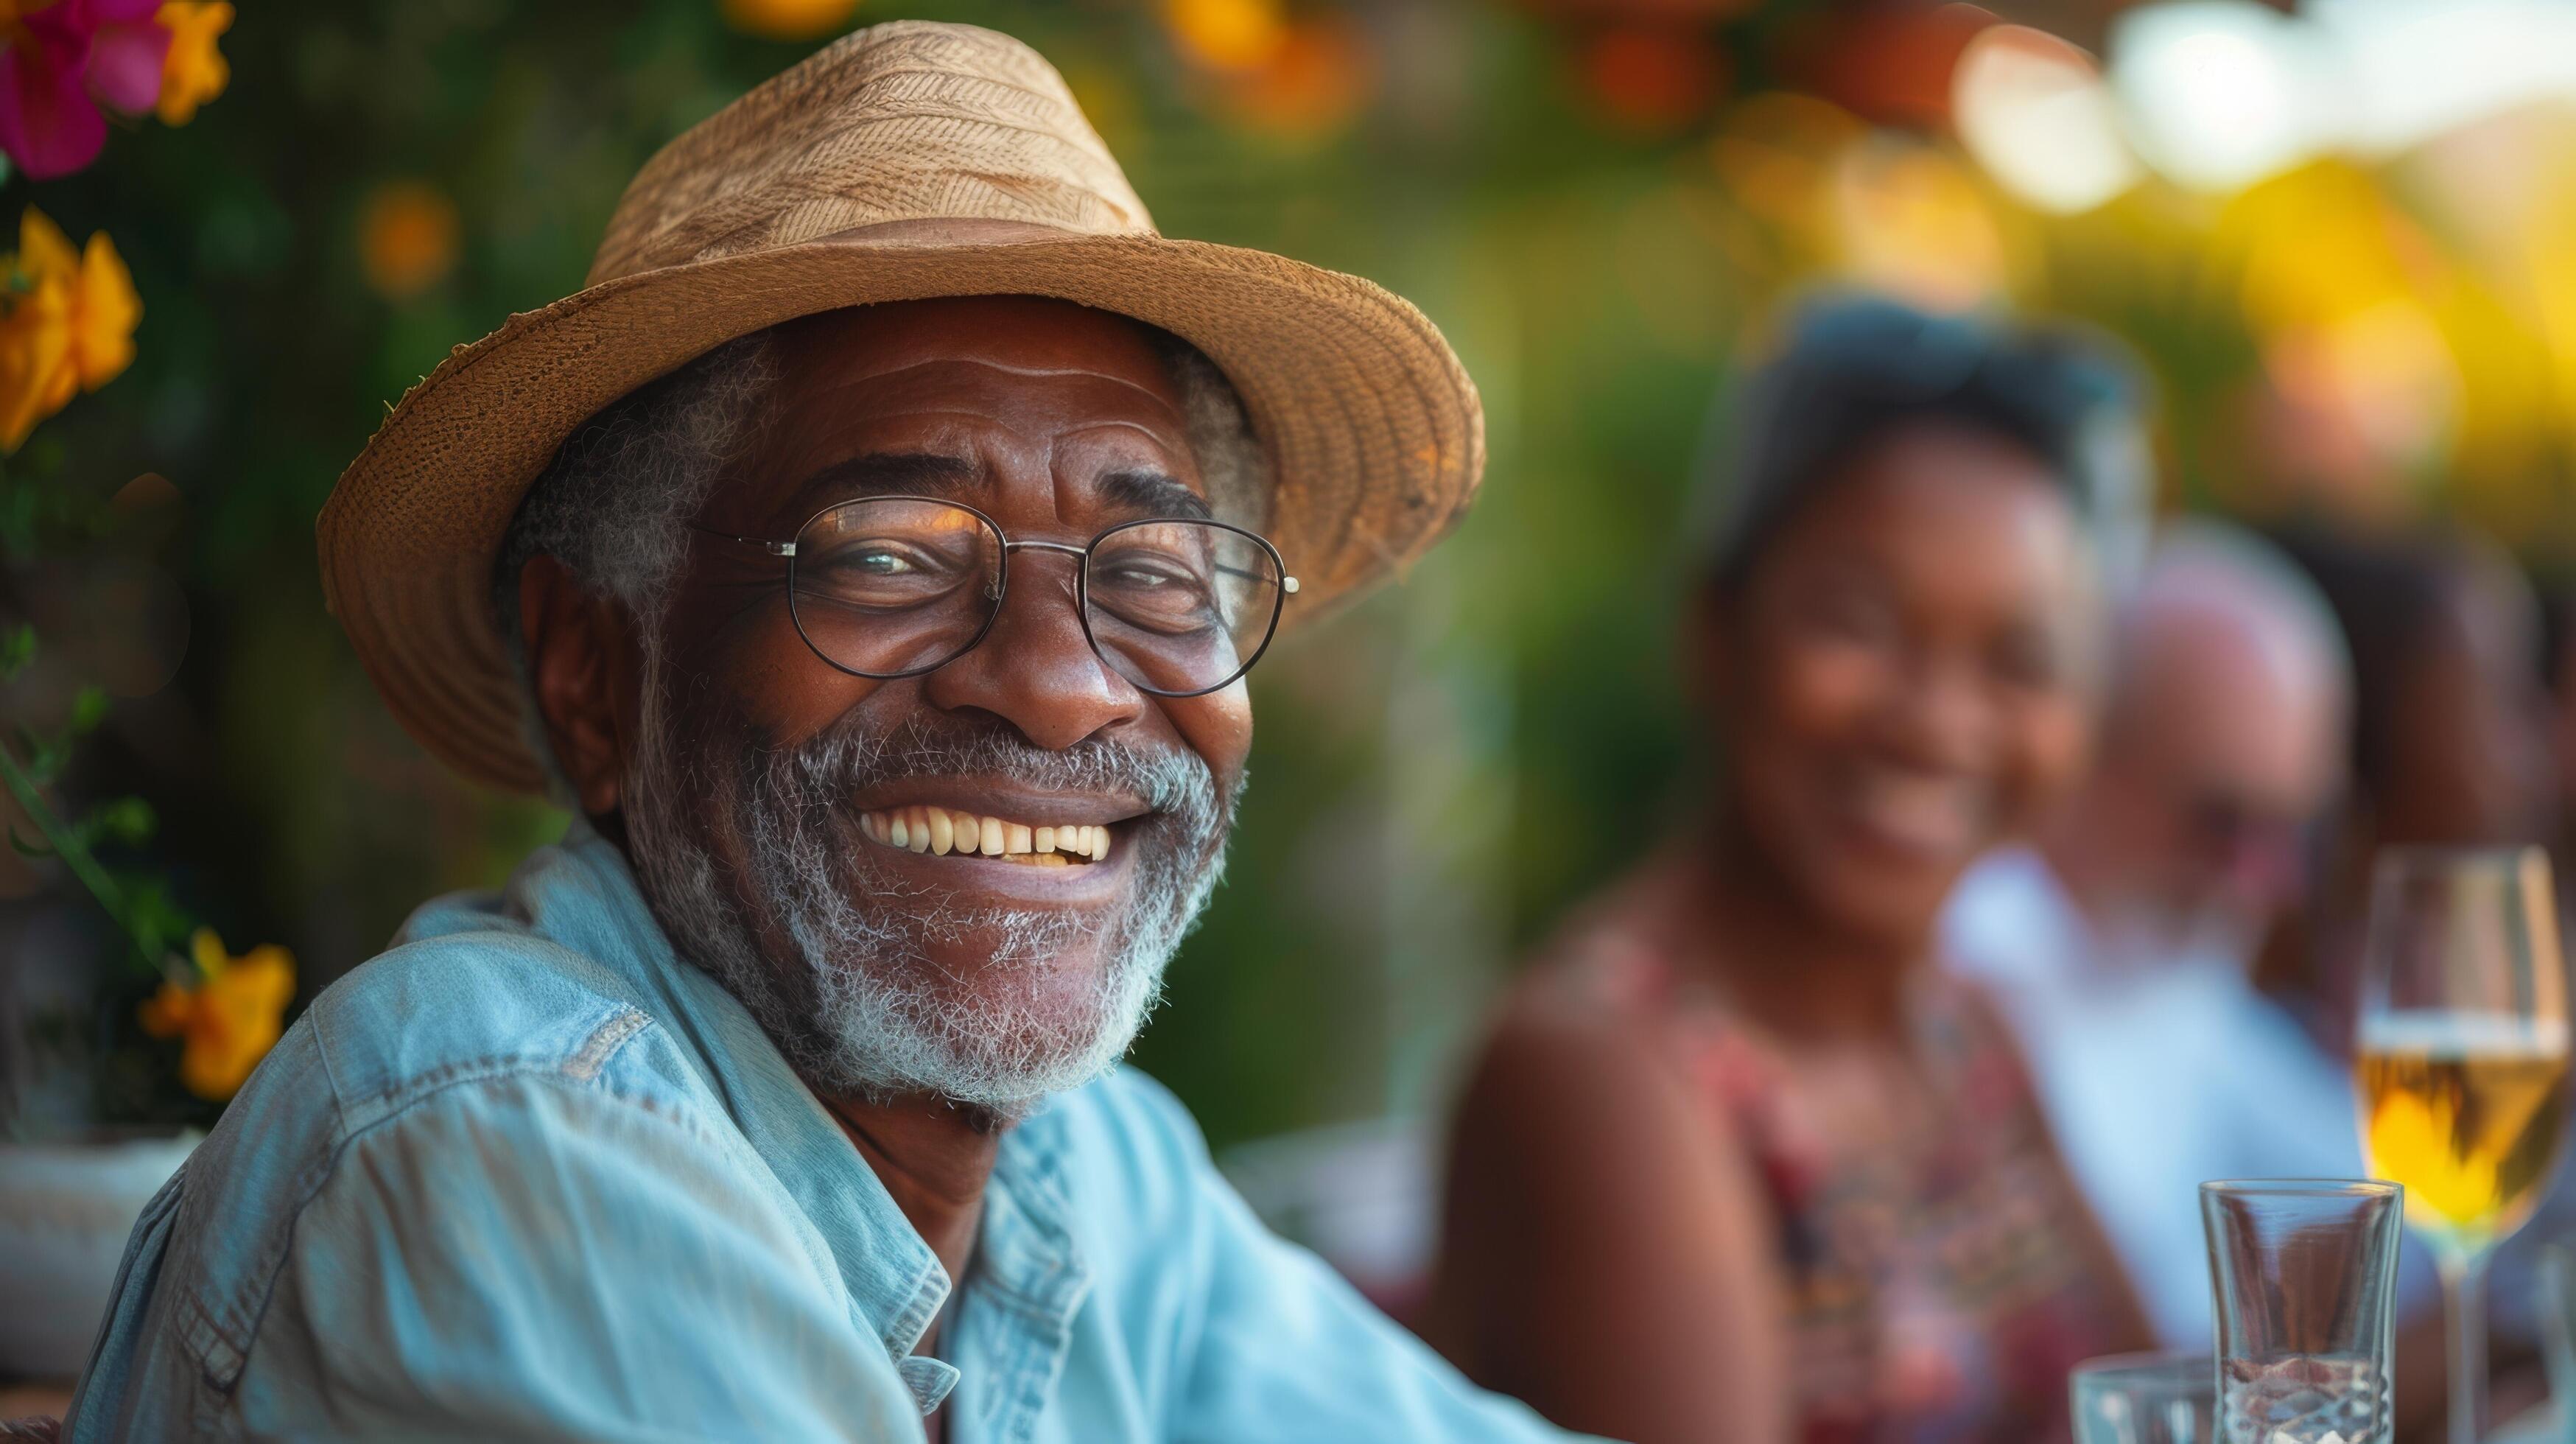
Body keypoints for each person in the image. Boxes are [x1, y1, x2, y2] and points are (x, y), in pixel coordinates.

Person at [62, 23, 1580, 1443]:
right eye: (888, 556)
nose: (1058, 686)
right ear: (596, 673)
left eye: (1153, 575)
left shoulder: (1093, 1175)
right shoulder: (496, 1127)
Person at [1425, 294, 2155, 1444]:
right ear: (1715, 632)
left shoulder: (1964, 1037)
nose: (1936, 723)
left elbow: (2167, 1406)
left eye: (2020, 659)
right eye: (1861, 623)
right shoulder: (1602, 1068)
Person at [1942, 520, 2366, 1349]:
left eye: (2295, 828)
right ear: (2080, 751)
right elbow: (2128, 1365)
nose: (2268, 881)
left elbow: (2377, 1211)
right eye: (2222, 821)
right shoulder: (1968, 976)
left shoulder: (2167, 958)